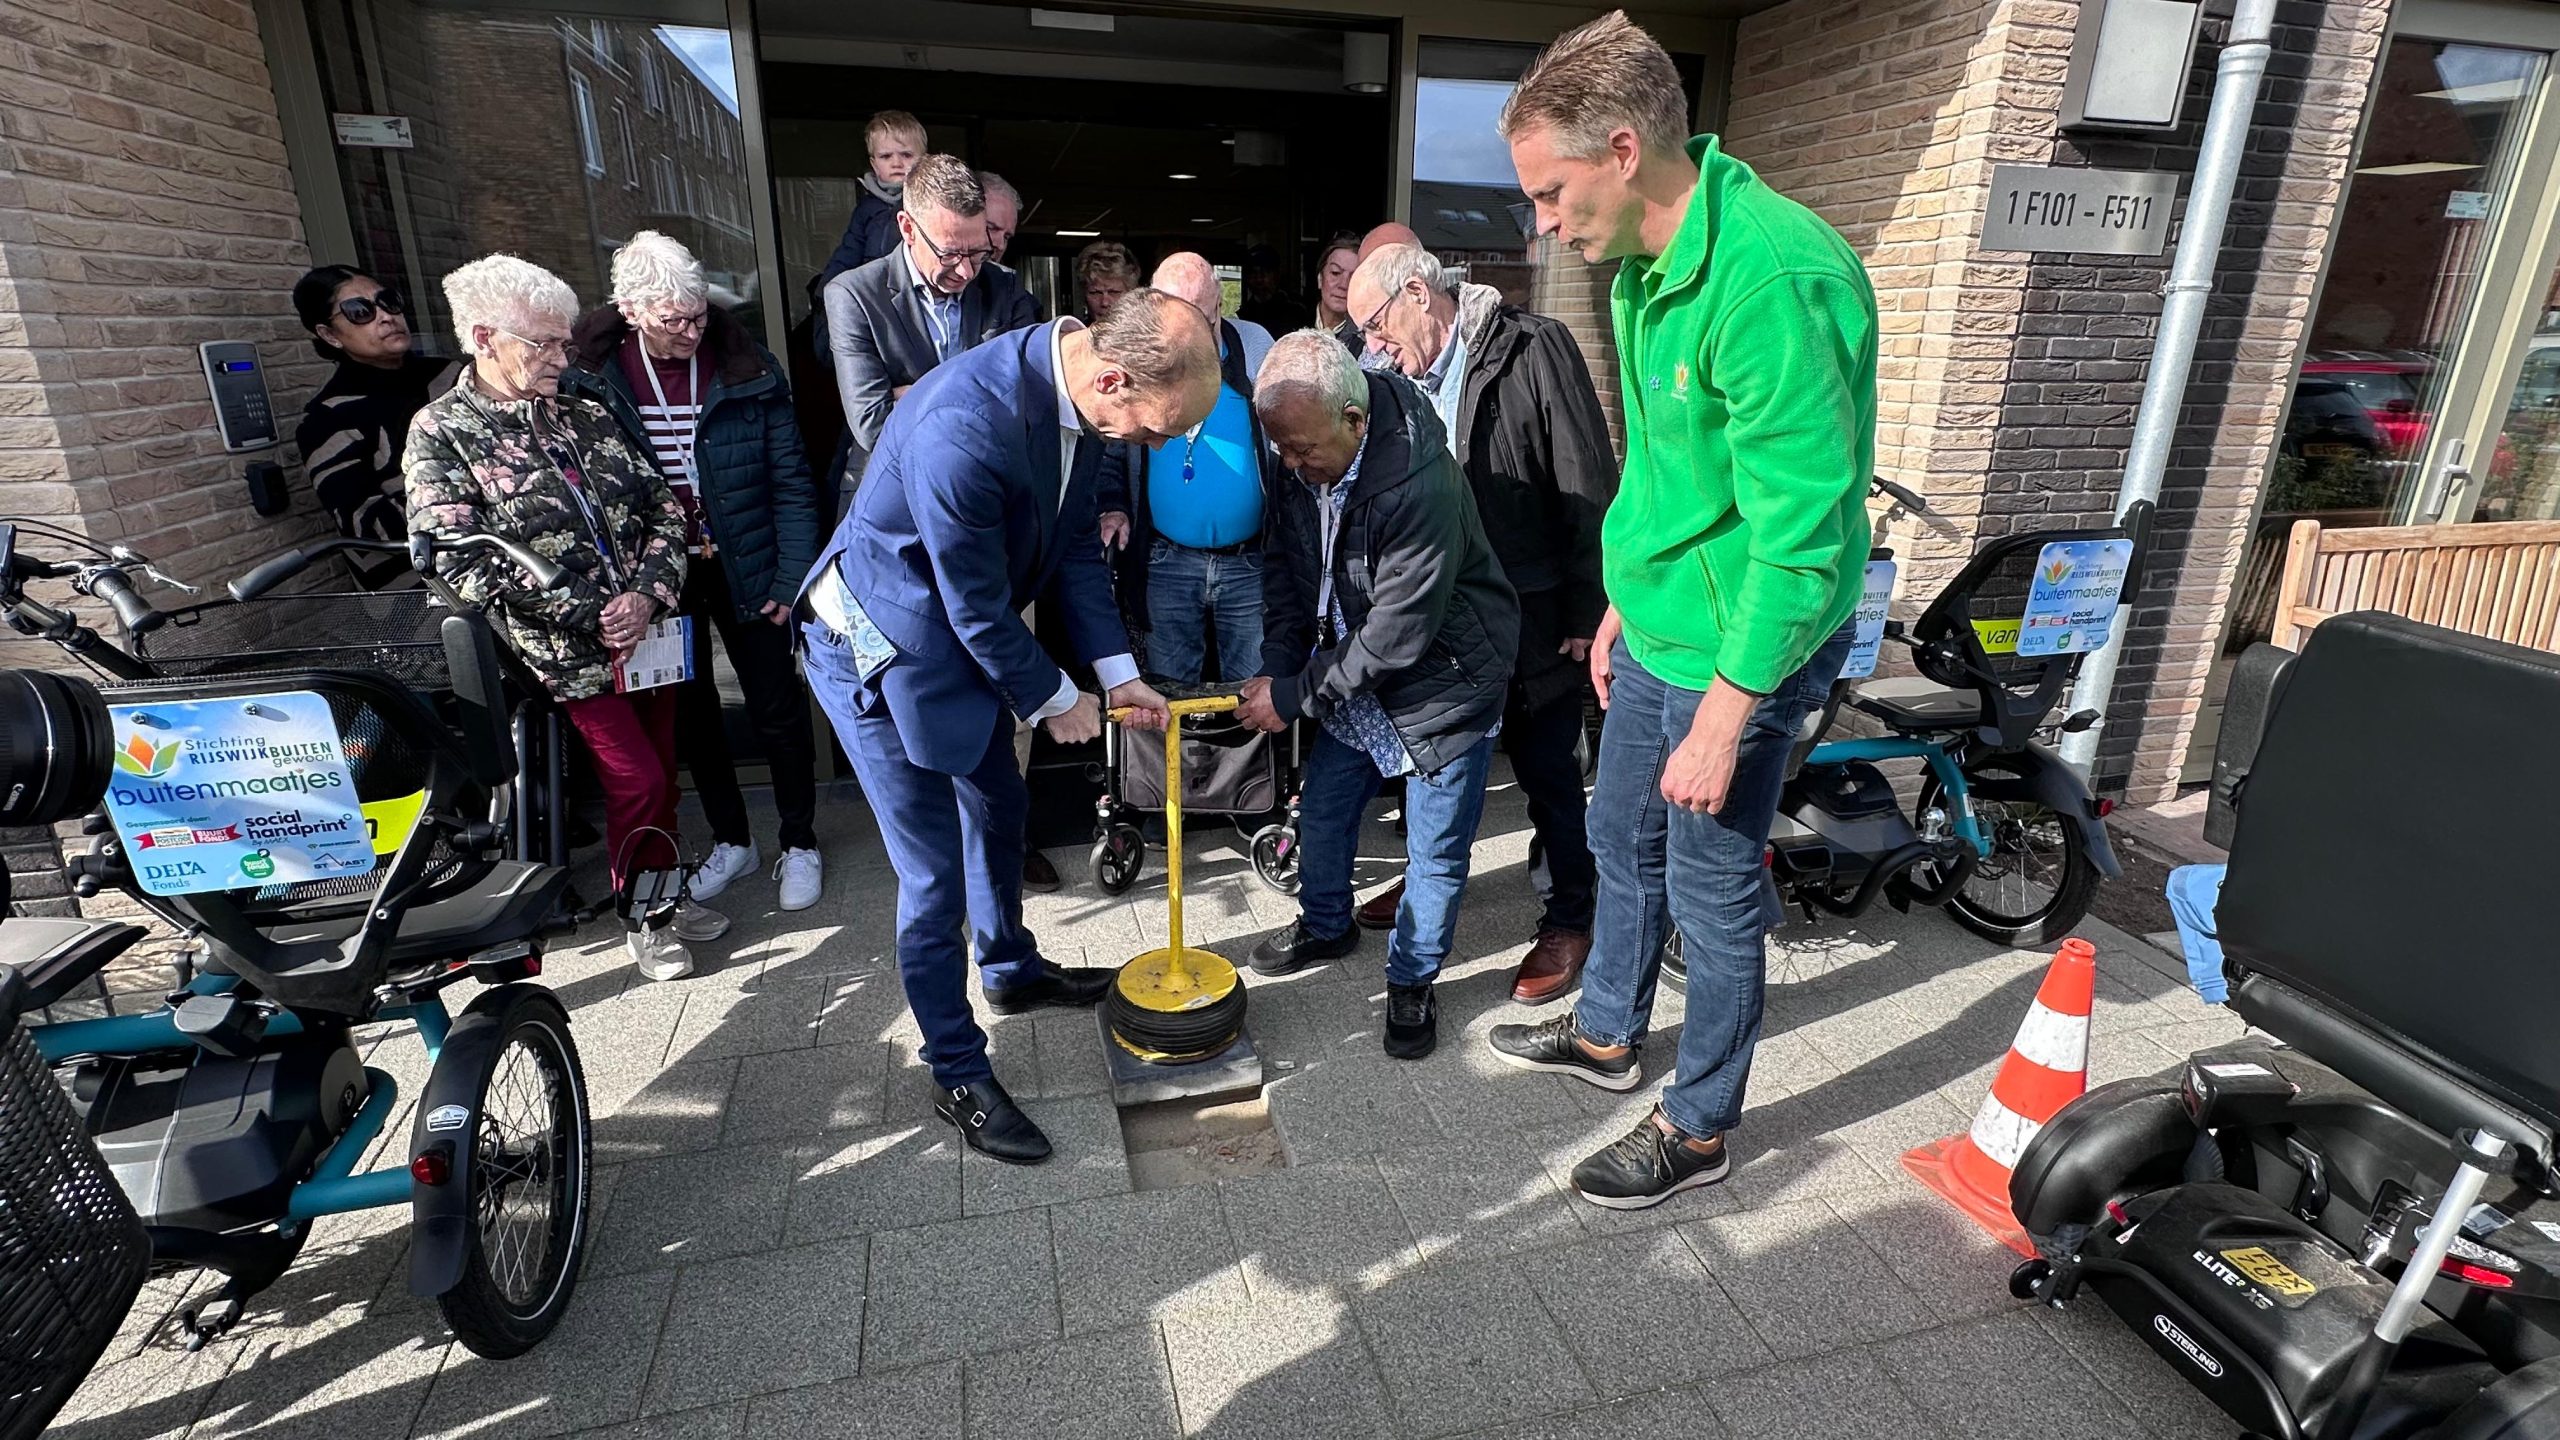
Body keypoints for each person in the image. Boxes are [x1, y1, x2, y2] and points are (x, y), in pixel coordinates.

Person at [1482, 10, 1879, 1210]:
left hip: (1742, 657)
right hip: (1656, 629)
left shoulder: (1770, 279)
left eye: (1549, 193)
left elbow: (1802, 539)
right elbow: (1659, 473)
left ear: (1618, 148)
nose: (1541, 224)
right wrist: (1616, 598)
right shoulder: (1642, 269)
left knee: (1711, 898)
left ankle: (1700, 1125)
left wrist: (1728, 710)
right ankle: (1607, 1035)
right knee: (1616, 842)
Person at [797, 290, 1218, 1164]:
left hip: (955, 636)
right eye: (1151, 431)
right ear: (1111, 376)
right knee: (933, 875)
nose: (1152, 448)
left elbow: (1068, 550)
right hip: (880, 647)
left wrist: (1119, 674)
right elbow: (976, 608)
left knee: (1000, 809)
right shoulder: (964, 422)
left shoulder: (1083, 400)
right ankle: (956, 1069)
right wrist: (1056, 699)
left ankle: (1012, 970)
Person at [405, 253, 726, 982]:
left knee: (663, 779)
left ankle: (665, 897)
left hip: (648, 636)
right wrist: (592, 614)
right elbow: (454, 558)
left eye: (563, 341)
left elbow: (659, 507)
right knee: (636, 781)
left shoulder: (584, 405)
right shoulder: (443, 430)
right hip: (568, 654)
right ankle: (644, 916)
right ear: (485, 337)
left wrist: (646, 595)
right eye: (542, 343)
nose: (561, 356)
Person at [1237, 332, 1520, 1063]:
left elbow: (1399, 633)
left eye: (1302, 449)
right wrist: (1277, 667)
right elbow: (1283, 570)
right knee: (1326, 810)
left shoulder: (1418, 481)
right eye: (1282, 451)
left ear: (1355, 422)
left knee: (1435, 849)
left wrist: (1296, 694)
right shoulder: (1301, 445)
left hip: (1443, 683)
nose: (1292, 466)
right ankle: (1326, 925)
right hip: (1355, 673)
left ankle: (1411, 977)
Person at [1345, 242, 1616, 1002]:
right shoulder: (1394, 381)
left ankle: (1571, 913)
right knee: (1436, 761)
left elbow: (1585, 476)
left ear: (1417, 295)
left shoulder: (1531, 348)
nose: (1370, 347)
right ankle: (1428, 884)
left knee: (1547, 772)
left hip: (1531, 610)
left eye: (1373, 326)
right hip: (1445, 613)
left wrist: (1585, 608)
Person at [565, 231, 828, 913]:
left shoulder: (747, 363)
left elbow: (792, 480)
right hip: (656, 574)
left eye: (699, 314)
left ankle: (801, 842)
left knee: (775, 705)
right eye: (672, 319)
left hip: (749, 558)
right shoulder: (587, 376)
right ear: (629, 309)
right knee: (694, 714)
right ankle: (733, 841)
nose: (690, 330)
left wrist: (790, 576)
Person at [1096, 253, 1275, 684]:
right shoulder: (1135, 357)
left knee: (1252, 695)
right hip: (1166, 559)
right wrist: (1113, 504)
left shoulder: (1255, 350)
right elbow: (1110, 446)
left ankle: (1242, 758)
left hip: (1249, 563)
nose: (1194, 338)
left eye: (1205, 320)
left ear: (1221, 307)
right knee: (1167, 692)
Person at [824, 155, 1043, 498]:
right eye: (950, 254)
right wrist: (977, 392)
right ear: (908, 228)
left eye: (978, 252)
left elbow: (1027, 401)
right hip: (894, 497)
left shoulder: (1005, 287)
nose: (967, 272)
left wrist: (914, 395)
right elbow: (872, 424)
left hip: (983, 494)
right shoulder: (853, 294)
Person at [291, 265, 458, 585]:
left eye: (388, 301)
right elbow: (367, 526)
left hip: (504, 555)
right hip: (420, 590)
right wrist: (469, 495)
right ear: (329, 335)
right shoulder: (328, 420)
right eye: (359, 311)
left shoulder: (453, 377)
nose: (385, 316)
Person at [810, 110, 927, 312]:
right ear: (874, 164)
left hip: (917, 298)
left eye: (906, 155)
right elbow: (848, 252)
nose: (896, 163)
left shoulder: (928, 204)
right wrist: (825, 292)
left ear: (923, 159)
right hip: (875, 298)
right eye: (886, 156)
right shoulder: (867, 208)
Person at [1237, 244, 1304, 336]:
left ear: (1276, 275)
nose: (1259, 279)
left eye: (1265, 272)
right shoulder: (1245, 313)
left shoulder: (1296, 310)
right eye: (1253, 273)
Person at [1310, 233, 1361, 349]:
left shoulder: (1367, 341)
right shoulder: (1289, 324)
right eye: (1335, 273)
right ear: (1320, 278)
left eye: (1353, 278)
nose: (1344, 285)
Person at [1075, 241, 1141, 322]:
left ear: (1131, 293)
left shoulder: (1150, 332)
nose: (1104, 303)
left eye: (1114, 292)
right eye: (1095, 293)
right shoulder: (1076, 333)